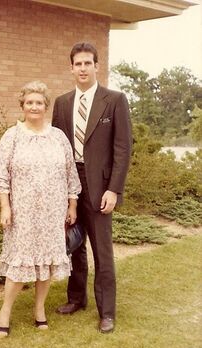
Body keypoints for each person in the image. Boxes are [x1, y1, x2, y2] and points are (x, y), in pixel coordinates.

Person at [52, 42, 132, 333]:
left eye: (88, 63)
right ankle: (76, 299)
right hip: (70, 183)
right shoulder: (61, 103)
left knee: (102, 249)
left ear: (97, 66)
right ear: (71, 67)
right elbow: (57, 148)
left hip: (100, 186)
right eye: (78, 64)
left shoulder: (114, 100)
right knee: (74, 243)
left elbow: (123, 149)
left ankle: (107, 311)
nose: (83, 68)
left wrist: (114, 189)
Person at [0, 81, 81, 338]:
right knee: (20, 263)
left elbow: (70, 174)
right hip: (23, 213)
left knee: (48, 262)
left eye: (39, 102)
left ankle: (39, 309)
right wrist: (5, 207)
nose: (34, 106)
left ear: (46, 106)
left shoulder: (58, 137)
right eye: (29, 102)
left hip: (53, 212)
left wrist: (72, 204)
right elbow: (1, 175)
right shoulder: (13, 135)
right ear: (22, 105)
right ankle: (5, 312)